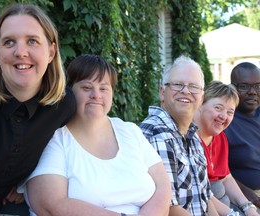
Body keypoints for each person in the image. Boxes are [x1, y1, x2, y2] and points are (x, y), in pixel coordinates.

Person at [18, 54, 172, 216]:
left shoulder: (130, 132)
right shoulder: (54, 138)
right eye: (86, 87)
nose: (96, 95)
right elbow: (50, 204)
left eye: (104, 88)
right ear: (68, 92)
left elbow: (163, 186)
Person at [0, 3, 76, 215]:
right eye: (9, 42)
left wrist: (27, 182)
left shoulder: (63, 107)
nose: (20, 52)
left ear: (51, 52)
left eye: (32, 41)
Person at [139, 55, 218, 216]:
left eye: (194, 87)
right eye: (177, 84)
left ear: (201, 98)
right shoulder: (158, 133)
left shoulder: (193, 136)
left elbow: (206, 198)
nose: (186, 91)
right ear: (162, 92)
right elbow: (169, 209)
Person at [194, 80, 259, 216]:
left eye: (230, 112)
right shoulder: (189, 138)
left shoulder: (220, 137)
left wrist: (248, 207)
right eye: (218, 108)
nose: (224, 116)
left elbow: (226, 177)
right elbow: (200, 193)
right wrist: (231, 213)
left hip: (226, 204)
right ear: (200, 104)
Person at [225, 62, 260, 212]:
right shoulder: (224, 122)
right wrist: (247, 195)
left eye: (258, 86)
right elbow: (218, 173)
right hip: (249, 196)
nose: (253, 92)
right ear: (232, 88)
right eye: (244, 86)